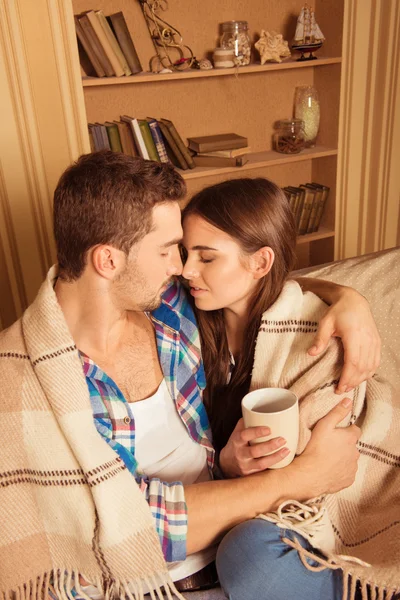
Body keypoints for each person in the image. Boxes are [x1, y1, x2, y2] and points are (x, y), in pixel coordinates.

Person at [0, 152, 380, 600]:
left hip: (246, 536)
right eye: (166, 251)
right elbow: (132, 525)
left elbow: (260, 280)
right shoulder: (30, 382)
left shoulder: (170, 308)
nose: (180, 266)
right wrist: (303, 478)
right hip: (151, 581)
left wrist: (350, 299)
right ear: (107, 260)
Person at [180, 177, 399, 599]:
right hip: (238, 500)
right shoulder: (183, 322)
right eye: (185, 253)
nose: (187, 270)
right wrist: (228, 464)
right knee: (245, 554)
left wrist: (349, 299)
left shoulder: (314, 334)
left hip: (329, 501)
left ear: (260, 262)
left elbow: (341, 450)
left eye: (207, 257)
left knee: (248, 555)